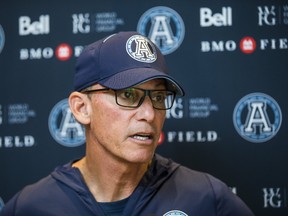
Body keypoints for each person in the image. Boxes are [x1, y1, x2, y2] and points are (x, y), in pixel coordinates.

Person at [0, 31, 254, 216]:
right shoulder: (30, 206)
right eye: (128, 95)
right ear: (81, 108)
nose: (149, 114)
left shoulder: (207, 199)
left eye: (158, 97)